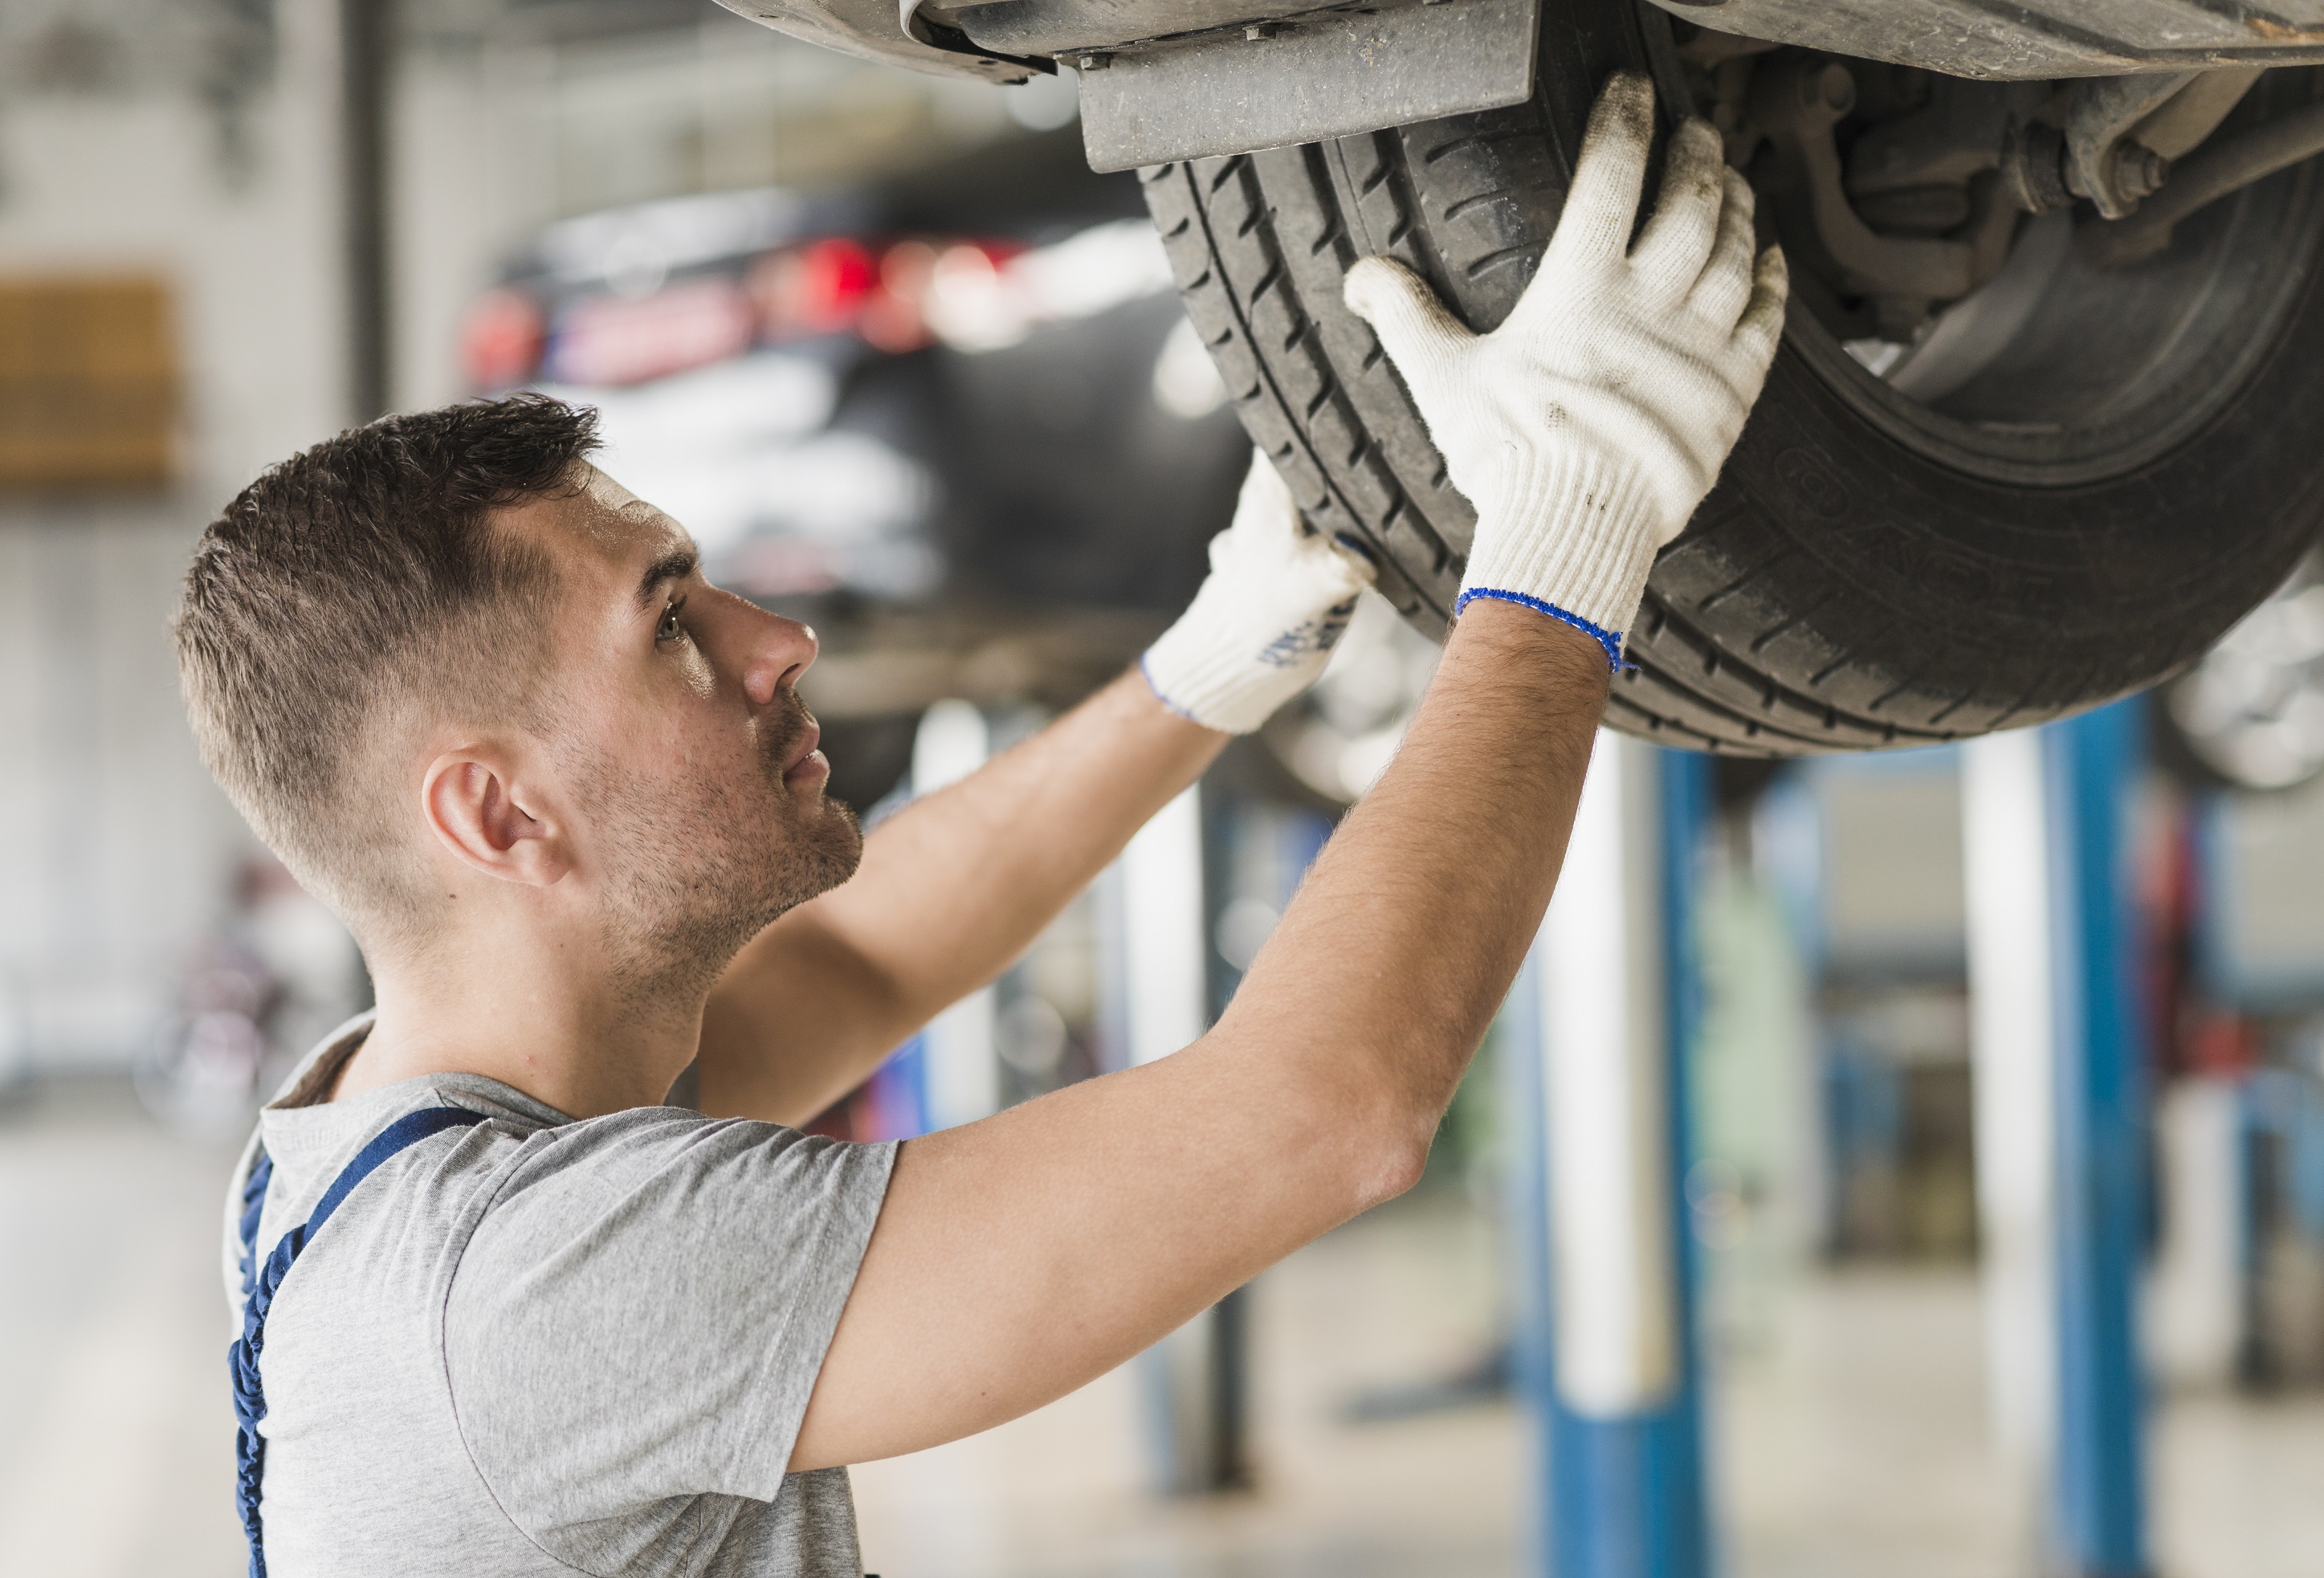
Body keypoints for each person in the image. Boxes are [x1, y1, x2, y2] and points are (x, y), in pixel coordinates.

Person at [177, 74, 1783, 1578]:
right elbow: (1320, 1111)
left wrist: (1206, 667)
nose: (775, 639)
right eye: (670, 625)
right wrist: (1570, 532)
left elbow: (866, 954)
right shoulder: (528, 1295)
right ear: (496, 809)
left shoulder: (382, 1133)